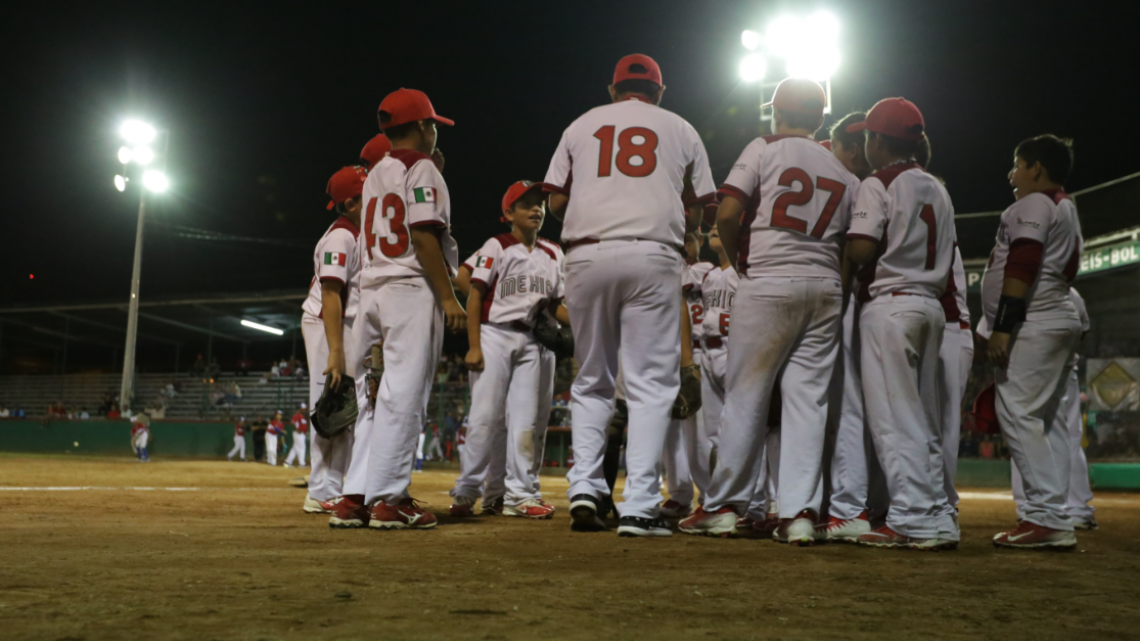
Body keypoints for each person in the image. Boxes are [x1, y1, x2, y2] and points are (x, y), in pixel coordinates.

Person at [679, 78, 859, 545]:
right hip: (824, 285)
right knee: (807, 402)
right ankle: (799, 512)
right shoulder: (844, 172)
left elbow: (727, 212)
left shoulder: (764, 146)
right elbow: (849, 245)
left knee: (747, 395)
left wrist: (741, 262)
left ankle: (724, 505)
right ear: (820, 119)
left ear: (777, 112)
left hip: (770, 278)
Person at [543, 53, 715, 537]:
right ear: (658, 91)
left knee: (592, 379)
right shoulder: (680, 127)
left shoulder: (581, 125)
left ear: (612, 89)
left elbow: (555, 200)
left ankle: (584, 487)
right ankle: (638, 506)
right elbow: (702, 204)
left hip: (587, 255)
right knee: (648, 385)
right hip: (652, 255)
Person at [841, 97, 959, 551]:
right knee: (923, 418)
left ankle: (910, 517)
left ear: (876, 140)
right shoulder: (936, 185)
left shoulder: (879, 181)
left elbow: (862, 248)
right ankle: (937, 515)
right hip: (931, 306)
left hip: (891, 306)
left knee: (894, 419)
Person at [349, 88, 462, 531]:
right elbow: (423, 235)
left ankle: (355, 494)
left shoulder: (376, 172)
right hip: (409, 288)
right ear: (420, 126)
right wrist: (448, 297)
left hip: (374, 287)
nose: (435, 132)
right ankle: (389, 501)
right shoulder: (422, 168)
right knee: (402, 399)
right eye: (433, 124)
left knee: (371, 401)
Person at [980, 134, 1083, 550]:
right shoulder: (1063, 204)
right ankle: (1056, 512)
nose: (1012, 173)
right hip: (1056, 315)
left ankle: (1047, 518)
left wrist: (1003, 325)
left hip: (1036, 319)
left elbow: (1023, 261)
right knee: (1045, 418)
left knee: (1018, 411)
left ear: (1037, 168)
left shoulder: (1034, 203)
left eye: (1018, 164)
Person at [449, 180, 567, 520]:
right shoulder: (498, 245)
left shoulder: (553, 252)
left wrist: (582, 326)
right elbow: (472, 292)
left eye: (540, 203)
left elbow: (556, 305)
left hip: (534, 340)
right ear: (508, 213)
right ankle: (467, 490)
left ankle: (520, 495)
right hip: (494, 335)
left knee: (526, 421)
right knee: (485, 418)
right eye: (526, 203)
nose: (536, 208)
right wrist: (473, 346)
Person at [819, 111, 889, 543]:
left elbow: (853, 254)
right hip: (920, 308)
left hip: (866, 305)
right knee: (888, 417)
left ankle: (848, 507)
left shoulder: (866, 187)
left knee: (848, 410)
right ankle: (882, 506)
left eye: (841, 149)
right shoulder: (916, 184)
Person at [300, 165, 366, 513]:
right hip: (328, 323)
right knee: (332, 404)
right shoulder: (341, 236)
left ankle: (341, 484)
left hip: (345, 324)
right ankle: (322, 490)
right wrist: (336, 351)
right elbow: (330, 295)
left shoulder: (361, 233)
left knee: (349, 410)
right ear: (353, 203)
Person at [660, 227, 714, 519]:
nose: (683, 244)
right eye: (679, 239)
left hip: (699, 354)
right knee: (670, 433)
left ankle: (708, 495)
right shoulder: (664, 269)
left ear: (700, 242)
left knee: (699, 434)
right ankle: (679, 494)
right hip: (666, 356)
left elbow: (680, 281)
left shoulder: (706, 270)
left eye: (690, 239)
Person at [285, 404, 309, 468]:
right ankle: (301, 463)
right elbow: (292, 422)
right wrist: (297, 429)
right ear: (300, 409)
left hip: (300, 434)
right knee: (302, 448)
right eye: (304, 409)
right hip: (298, 433)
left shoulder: (301, 416)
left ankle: (287, 462)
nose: (305, 410)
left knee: (295, 448)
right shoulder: (297, 415)